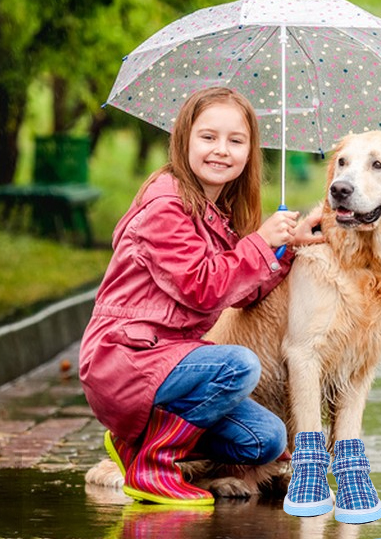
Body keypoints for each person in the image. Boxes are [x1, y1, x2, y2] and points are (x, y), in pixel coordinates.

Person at [79, 87, 324, 506]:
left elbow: (241, 292)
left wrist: (287, 249)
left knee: (266, 440)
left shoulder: (215, 212)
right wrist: (261, 242)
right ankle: (151, 465)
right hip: (125, 359)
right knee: (238, 366)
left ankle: (136, 443)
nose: (221, 151)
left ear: (250, 150)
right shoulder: (166, 206)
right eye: (208, 137)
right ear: (183, 140)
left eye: (236, 140)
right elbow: (203, 286)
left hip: (167, 367)